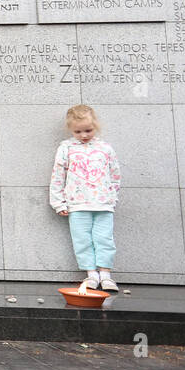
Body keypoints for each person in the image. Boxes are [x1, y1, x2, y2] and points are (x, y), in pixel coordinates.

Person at [50, 104, 121, 292]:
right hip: (77, 204)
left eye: (88, 130)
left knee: (104, 238)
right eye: (78, 131)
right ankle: (91, 275)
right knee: (82, 240)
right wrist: (58, 202)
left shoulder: (105, 148)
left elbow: (115, 173)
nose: (84, 135)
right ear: (70, 129)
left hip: (103, 203)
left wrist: (112, 196)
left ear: (95, 126)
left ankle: (106, 275)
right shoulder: (66, 148)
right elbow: (58, 176)